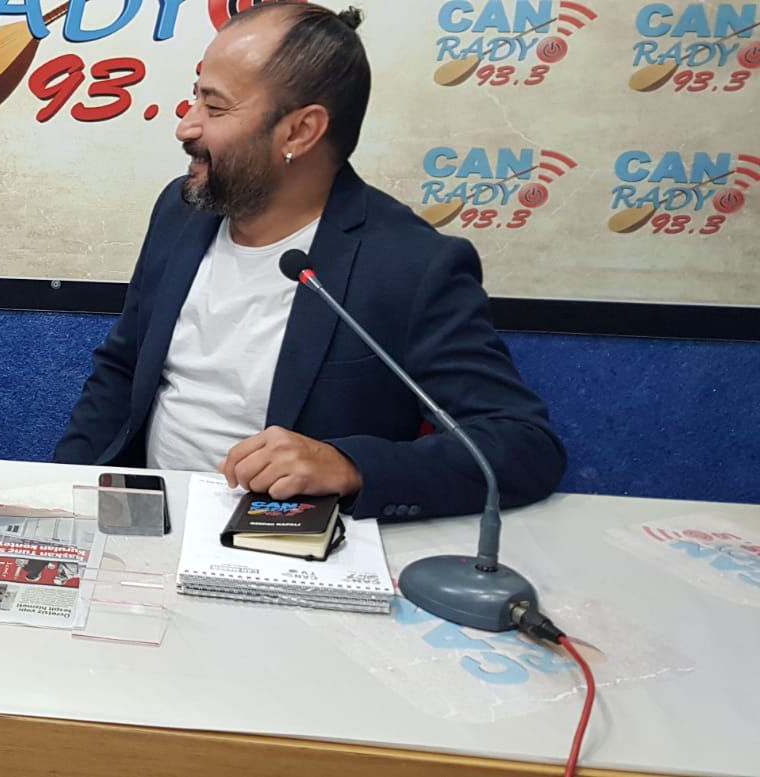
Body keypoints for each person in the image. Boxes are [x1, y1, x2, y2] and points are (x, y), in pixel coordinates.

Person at [54, 3, 565, 520]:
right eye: (195, 97)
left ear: (300, 131)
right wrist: (67, 487)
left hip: (285, 539)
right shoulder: (180, 210)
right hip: (148, 522)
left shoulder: (412, 264)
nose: (187, 126)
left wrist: (350, 466)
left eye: (215, 107)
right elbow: (122, 367)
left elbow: (523, 446)